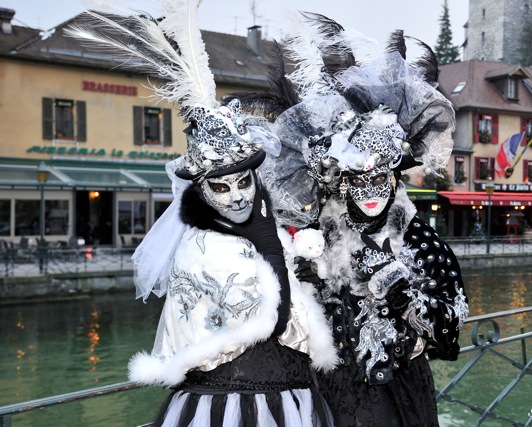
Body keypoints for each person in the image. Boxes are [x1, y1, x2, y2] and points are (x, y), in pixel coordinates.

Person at [67, 4, 336, 426]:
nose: (235, 198)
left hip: (290, 399)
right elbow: (276, 319)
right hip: (231, 406)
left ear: (255, 176)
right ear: (201, 189)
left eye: (243, 182)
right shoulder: (204, 245)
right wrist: (274, 247)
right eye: (220, 187)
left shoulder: (259, 228)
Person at [232, 13, 469, 426]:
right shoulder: (317, 237)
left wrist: (404, 297)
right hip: (327, 398)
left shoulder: (416, 237)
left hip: (399, 397)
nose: (372, 191)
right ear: (340, 183)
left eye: (381, 179)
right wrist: (300, 287)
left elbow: (450, 325)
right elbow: (285, 325)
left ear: (394, 178)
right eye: (359, 180)